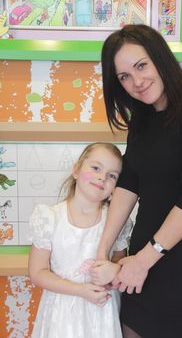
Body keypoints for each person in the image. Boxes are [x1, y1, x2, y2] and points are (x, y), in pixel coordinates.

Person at [91, 24, 182, 338]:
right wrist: (102, 251)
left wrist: (144, 260)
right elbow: (129, 182)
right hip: (138, 271)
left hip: (177, 273)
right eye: (124, 76)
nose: (136, 82)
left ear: (160, 59)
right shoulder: (143, 120)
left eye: (141, 66)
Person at [28, 142, 132, 338]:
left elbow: (119, 265)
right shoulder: (49, 217)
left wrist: (114, 274)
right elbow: (37, 272)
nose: (102, 177)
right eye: (96, 168)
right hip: (61, 313)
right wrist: (80, 290)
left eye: (112, 176)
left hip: (102, 312)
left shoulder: (116, 222)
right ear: (76, 170)